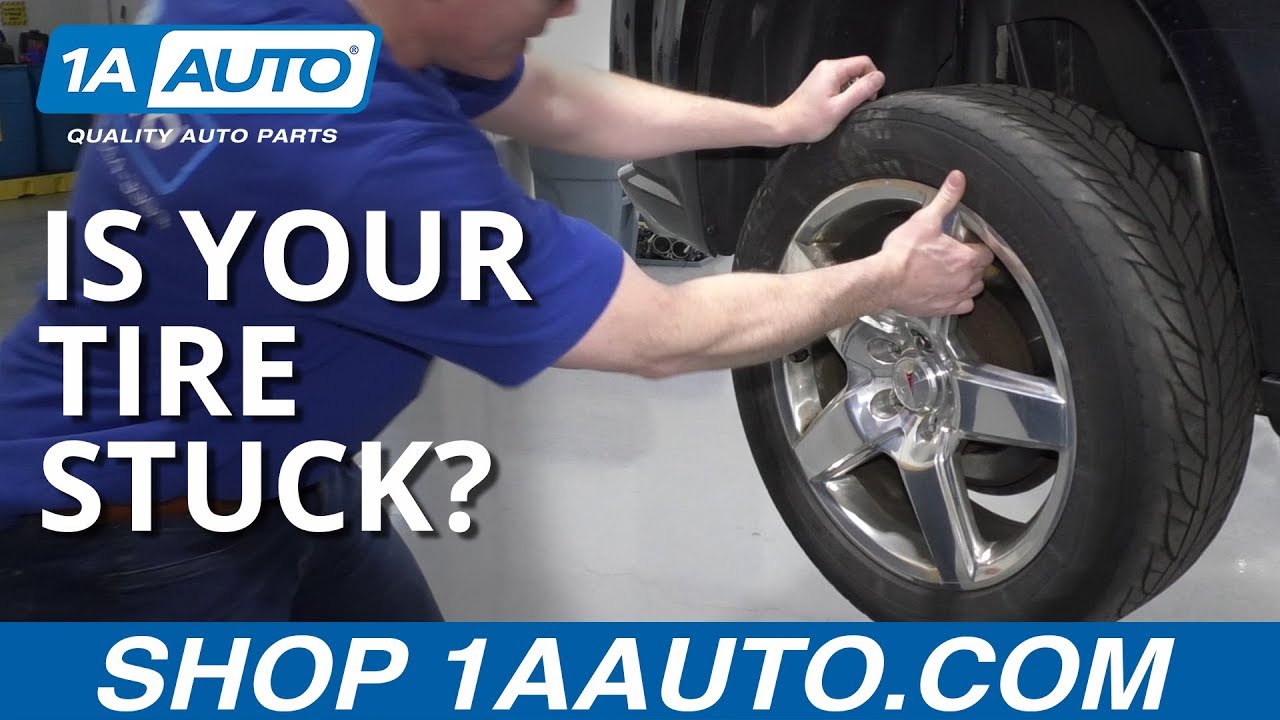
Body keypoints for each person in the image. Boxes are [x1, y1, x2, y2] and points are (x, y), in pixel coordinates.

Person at [0, 0, 993, 621]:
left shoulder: (278, 16)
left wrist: (773, 122)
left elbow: (554, 103)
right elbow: (660, 335)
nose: (566, 4)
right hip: (125, 551)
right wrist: (880, 280)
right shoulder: (362, 165)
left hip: (283, 492)